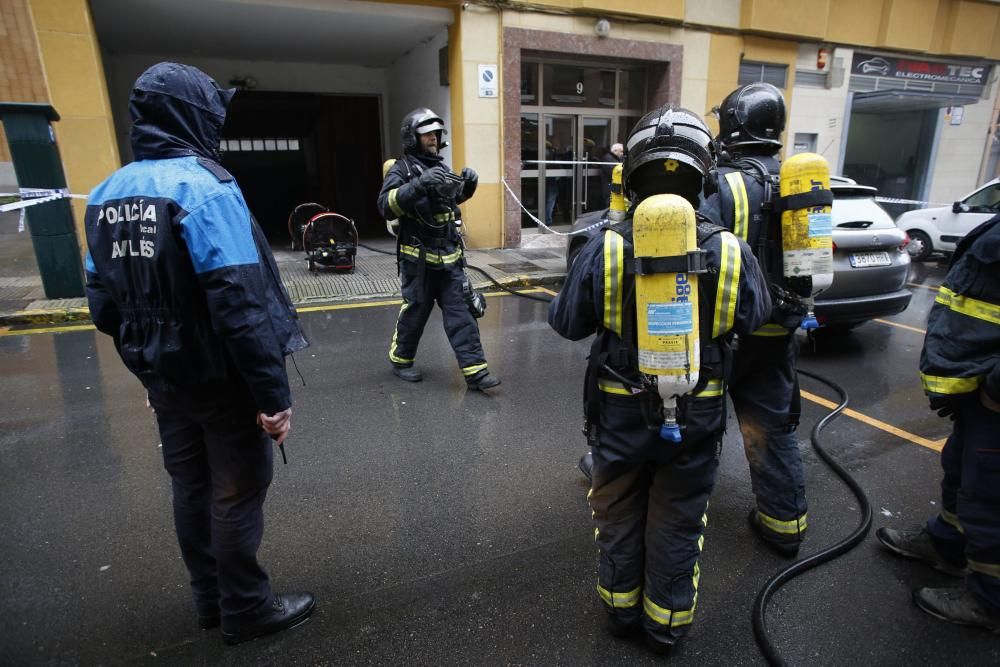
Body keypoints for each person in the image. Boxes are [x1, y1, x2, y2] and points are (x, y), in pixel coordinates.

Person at [83, 62, 315, 644]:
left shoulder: (106, 193)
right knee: (236, 489)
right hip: (220, 378)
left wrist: (150, 370)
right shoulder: (205, 189)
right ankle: (246, 609)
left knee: (189, 486)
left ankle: (209, 601)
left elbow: (103, 303)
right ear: (194, 115)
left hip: (167, 380)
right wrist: (272, 397)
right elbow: (241, 303)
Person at [548, 106, 771, 653]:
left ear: (636, 171)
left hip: (619, 410)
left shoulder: (606, 244)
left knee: (618, 509)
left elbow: (566, 323)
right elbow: (758, 315)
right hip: (698, 411)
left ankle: (620, 614)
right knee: (679, 517)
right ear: (704, 173)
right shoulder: (728, 249)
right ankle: (666, 624)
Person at [876, 212, 1000, 632]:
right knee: (963, 473)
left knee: (989, 493)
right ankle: (947, 546)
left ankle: (989, 600)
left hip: (994, 393)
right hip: (977, 386)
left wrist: (995, 390)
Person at [702, 82, 810, 556]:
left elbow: (696, 258)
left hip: (723, 337)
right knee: (772, 429)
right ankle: (784, 525)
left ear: (732, 125)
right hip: (779, 334)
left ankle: (684, 513)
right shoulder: (800, 183)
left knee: (696, 427)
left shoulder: (721, 184)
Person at [377, 107, 500, 390]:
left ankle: (476, 373)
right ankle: (401, 360)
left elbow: (449, 201)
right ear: (412, 138)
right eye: (427, 134)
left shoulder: (440, 168)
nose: (433, 138)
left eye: (436, 133)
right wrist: (418, 185)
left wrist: (467, 187)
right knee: (415, 313)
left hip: (449, 259)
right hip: (417, 261)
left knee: (462, 314)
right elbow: (385, 206)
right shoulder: (402, 170)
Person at [598, 142, 624, 209]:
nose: (622, 153)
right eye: (621, 151)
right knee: (609, 206)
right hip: (609, 188)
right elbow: (614, 171)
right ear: (615, 151)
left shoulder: (615, 158)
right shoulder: (608, 158)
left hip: (613, 187)